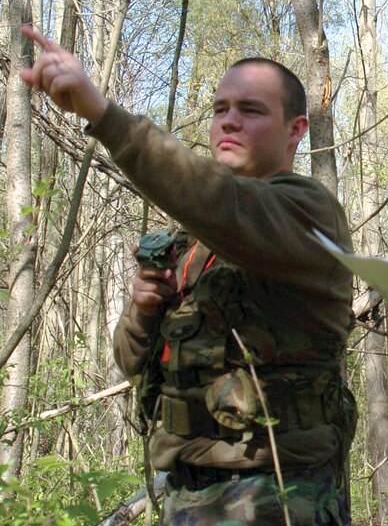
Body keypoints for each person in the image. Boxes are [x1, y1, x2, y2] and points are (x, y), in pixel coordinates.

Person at [21, 26, 358, 526]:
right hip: (186, 495)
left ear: (296, 129)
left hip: (278, 496)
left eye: (251, 110)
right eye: (220, 109)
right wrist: (143, 308)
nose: (229, 122)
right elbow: (133, 361)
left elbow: (222, 201)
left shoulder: (308, 213)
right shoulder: (191, 243)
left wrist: (104, 115)